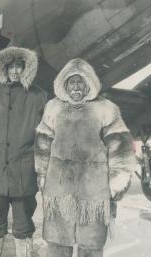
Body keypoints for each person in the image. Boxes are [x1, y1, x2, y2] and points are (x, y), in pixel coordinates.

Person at [34, 58, 136, 257]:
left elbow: (120, 146)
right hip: (60, 189)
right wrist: (42, 174)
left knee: (90, 244)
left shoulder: (106, 108)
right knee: (57, 242)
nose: (76, 87)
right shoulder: (53, 107)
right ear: (64, 85)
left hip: (93, 192)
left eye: (81, 82)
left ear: (89, 83)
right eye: (72, 82)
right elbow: (42, 143)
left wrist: (116, 183)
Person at [0, 46, 47, 257]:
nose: (15, 71)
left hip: (24, 173)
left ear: (27, 68)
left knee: (24, 224)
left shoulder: (39, 96)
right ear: (2, 68)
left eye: (20, 66)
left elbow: (45, 136)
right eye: (11, 66)